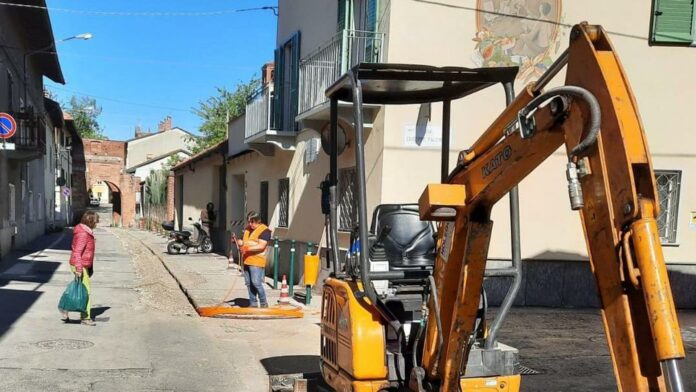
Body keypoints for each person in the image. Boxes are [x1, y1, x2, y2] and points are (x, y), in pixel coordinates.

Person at [64, 210, 99, 325]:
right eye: (95, 222)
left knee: (76, 288)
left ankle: (65, 308)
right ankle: (85, 317)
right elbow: (77, 252)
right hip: (79, 264)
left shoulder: (85, 231)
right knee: (86, 291)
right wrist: (79, 269)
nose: (96, 224)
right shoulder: (83, 234)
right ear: (90, 221)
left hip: (82, 264)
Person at [236, 211, 271, 308]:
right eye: (249, 222)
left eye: (252, 222)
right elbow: (244, 242)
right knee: (249, 283)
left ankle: (264, 303)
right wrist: (238, 242)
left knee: (256, 282)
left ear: (258, 221)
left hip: (257, 260)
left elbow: (261, 246)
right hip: (246, 259)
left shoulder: (265, 231)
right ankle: (253, 303)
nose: (250, 224)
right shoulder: (247, 229)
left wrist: (247, 248)